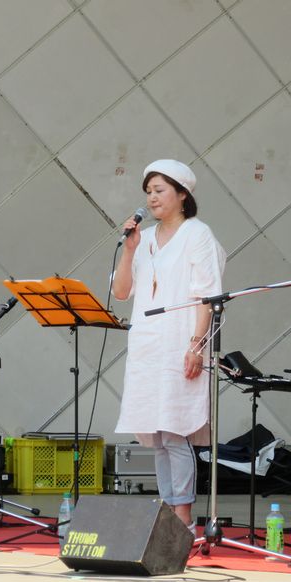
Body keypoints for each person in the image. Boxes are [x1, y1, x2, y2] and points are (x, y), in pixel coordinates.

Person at [113, 160, 226, 534]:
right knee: (158, 437)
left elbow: (208, 296)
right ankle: (167, 508)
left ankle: (183, 518)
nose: (152, 198)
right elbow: (121, 292)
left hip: (181, 342)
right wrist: (129, 250)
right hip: (147, 346)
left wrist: (197, 345)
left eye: (159, 190)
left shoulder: (198, 234)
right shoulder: (143, 238)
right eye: (148, 191)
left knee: (176, 432)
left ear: (182, 195)